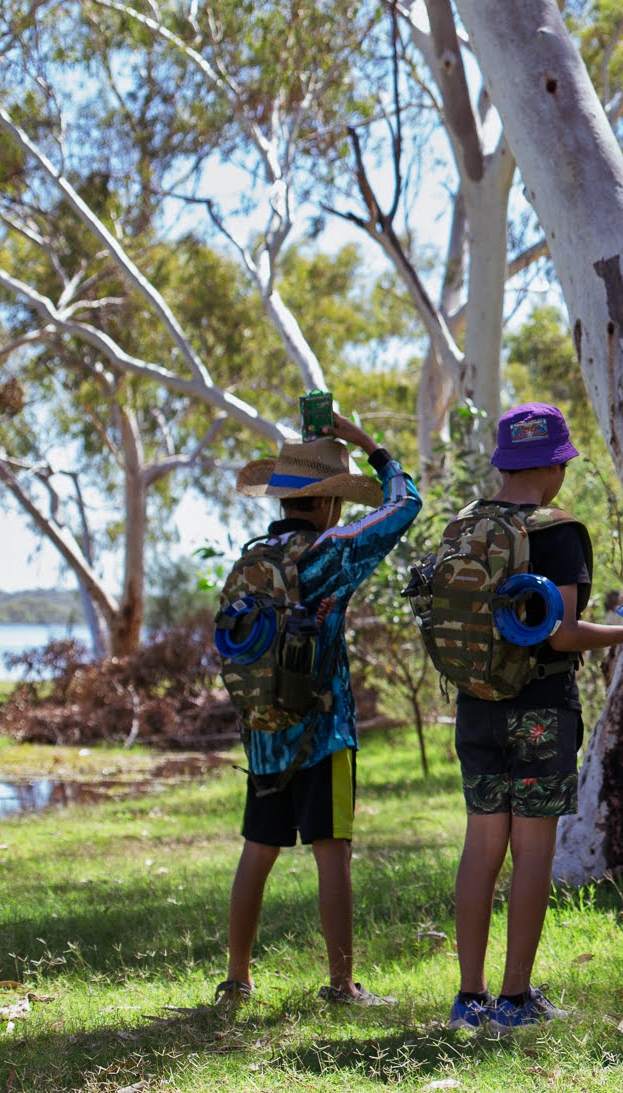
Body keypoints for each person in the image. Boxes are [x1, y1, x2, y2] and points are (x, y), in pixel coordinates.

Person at [441, 403, 623, 1031]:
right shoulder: (559, 531)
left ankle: (470, 999)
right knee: (532, 849)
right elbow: (564, 634)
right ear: (552, 466)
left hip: (476, 703)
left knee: (482, 844)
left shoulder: (466, 524)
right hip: (540, 708)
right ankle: (515, 1000)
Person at [215, 414, 422, 1008]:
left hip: (264, 735)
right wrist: (369, 446)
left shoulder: (253, 561)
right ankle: (341, 985)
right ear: (330, 502)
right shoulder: (331, 553)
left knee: (258, 849)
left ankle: (237, 979)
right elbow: (404, 506)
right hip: (324, 734)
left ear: (283, 498)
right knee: (333, 853)